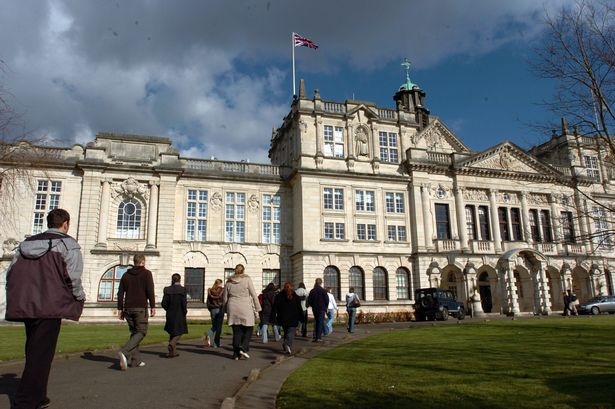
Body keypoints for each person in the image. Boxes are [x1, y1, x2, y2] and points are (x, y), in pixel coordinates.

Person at [5, 208, 85, 409]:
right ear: (65, 224)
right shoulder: (68, 244)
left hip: (26, 304)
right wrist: (79, 297)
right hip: (50, 305)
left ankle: (39, 396)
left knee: (34, 350)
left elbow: (10, 273)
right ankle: (25, 402)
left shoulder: (26, 244)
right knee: (41, 354)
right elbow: (73, 278)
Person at [117, 254, 156, 370]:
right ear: (143, 262)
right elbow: (150, 290)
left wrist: (120, 309)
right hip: (140, 308)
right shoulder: (146, 274)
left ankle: (136, 361)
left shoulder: (126, 275)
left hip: (128, 308)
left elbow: (120, 293)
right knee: (141, 332)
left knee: (135, 333)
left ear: (134, 262)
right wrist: (153, 306)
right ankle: (124, 351)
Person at [223, 264, 261, 360]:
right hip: (245, 306)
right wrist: (258, 308)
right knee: (249, 328)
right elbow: (253, 294)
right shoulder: (247, 279)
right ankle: (243, 347)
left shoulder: (229, 282)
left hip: (233, 306)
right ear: (243, 271)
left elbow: (225, 298)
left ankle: (236, 354)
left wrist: (225, 310)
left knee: (237, 332)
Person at [272, 282, 304, 354]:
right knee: (291, 332)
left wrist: (273, 317)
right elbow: (299, 308)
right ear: (292, 288)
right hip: (293, 318)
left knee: (287, 332)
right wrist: (302, 317)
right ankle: (287, 344)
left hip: (283, 318)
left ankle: (285, 344)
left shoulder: (279, 296)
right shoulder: (296, 297)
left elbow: (275, 307)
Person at [161, 273, 188, 358]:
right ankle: (172, 343)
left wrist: (168, 309)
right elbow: (184, 303)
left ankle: (172, 352)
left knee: (172, 331)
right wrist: (184, 311)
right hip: (179, 312)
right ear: (179, 280)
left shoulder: (167, 289)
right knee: (180, 330)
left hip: (170, 312)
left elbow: (163, 303)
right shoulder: (183, 289)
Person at [307, 278, 329, 342]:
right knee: (320, 322)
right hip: (321, 308)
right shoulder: (323, 291)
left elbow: (309, 300)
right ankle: (318, 337)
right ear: (321, 283)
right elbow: (326, 300)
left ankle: (316, 336)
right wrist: (326, 307)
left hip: (315, 309)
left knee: (317, 322)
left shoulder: (312, 291)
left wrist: (313, 305)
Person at [206, 279, 225, 348]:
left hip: (213, 309)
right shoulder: (222, 290)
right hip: (220, 309)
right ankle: (216, 344)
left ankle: (209, 334)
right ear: (220, 283)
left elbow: (208, 302)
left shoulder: (210, 291)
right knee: (219, 327)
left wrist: (210, 309)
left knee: (214, 326)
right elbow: (224, 300)